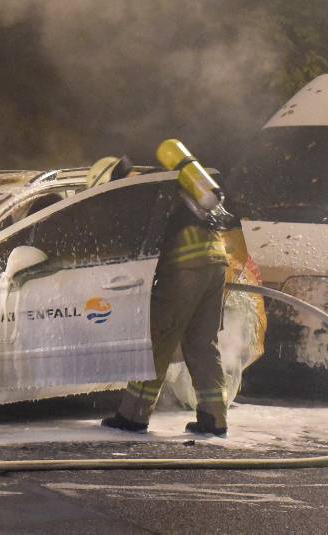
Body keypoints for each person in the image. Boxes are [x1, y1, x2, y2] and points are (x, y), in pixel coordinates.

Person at [89, 156, 230, 437]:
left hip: (185, 264)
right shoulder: (165, 179)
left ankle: (133, 416)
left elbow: (136, 243)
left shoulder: (139, 194)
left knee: (158, 338)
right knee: (202, 341)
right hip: (216, 258)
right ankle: (214, 418)